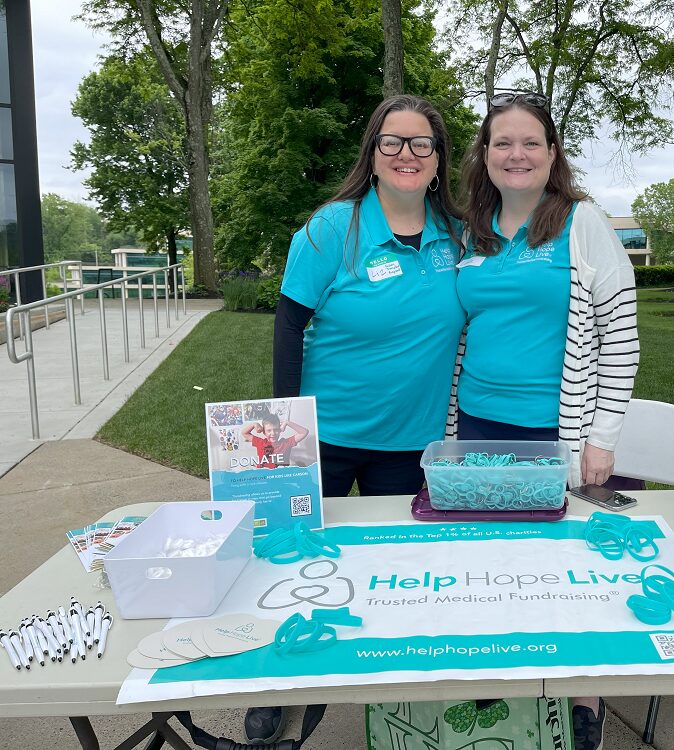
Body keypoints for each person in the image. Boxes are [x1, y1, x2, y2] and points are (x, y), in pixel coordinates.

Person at [249, 94, 465, 745]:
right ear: (372, 156)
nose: (406, 154)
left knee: (389, 575)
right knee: (287, 572)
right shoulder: (329, 230)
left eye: (420, 143)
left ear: (437, 160)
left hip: (409, 447)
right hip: (321, 441)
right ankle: (271, 682)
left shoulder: (457, 238)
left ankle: (387, 686)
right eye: (392, 142)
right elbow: (289, 324)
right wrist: (286, 426)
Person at [448, 91, 639, 750]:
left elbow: (621, 337)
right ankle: (501, 667)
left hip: (556, 433)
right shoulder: (469, 232)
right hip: (478, 429)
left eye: (531, 142)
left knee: (568, 571)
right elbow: (463, 331)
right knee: (495, 563)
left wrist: (602, 440)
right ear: (486, 154)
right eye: (503, 142)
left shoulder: (582, 224)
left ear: (552, 153)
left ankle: (585, 696)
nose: (516, 154)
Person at [240, 413, 308, 469]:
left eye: (276, 430)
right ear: (264, 432)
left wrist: (287, 423)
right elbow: (244, 433)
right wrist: (254, 424)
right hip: (263, 474)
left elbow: (304, 432)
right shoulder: (260, 442)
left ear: (280, 430)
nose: (273, 433)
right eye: (269, 430)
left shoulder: (286, 443)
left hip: (280, 475)